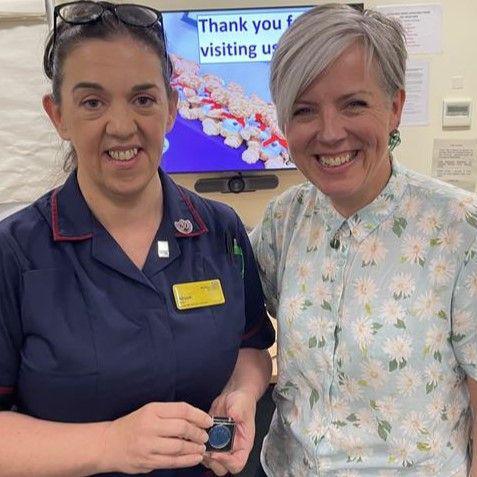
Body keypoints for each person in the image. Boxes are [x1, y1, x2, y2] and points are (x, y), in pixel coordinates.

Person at [0, 2, 274, 476]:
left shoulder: (220, 231)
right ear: (58, 115)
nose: (122, 125)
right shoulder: (15, 252)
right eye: (92, 102)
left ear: (170, 108)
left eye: (143, 99)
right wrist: (110, 443)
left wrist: (242, 394)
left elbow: (252, 347)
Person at [251, 4, 477, 476]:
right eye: (304, 110)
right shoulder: (281, 222)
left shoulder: (460, 228)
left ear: (394, 107)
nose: (330, 133)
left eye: (354, 104)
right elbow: (240, 336)